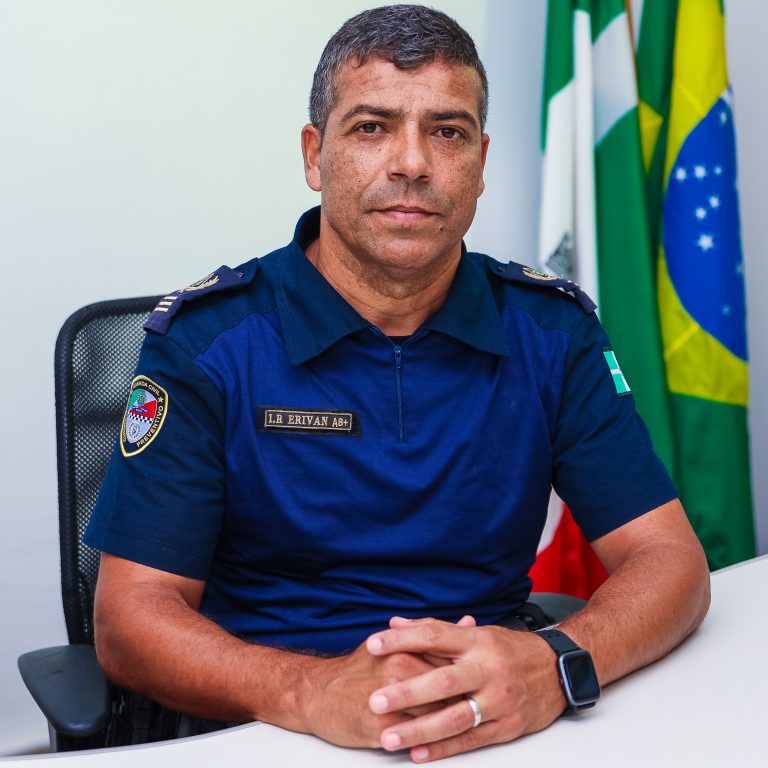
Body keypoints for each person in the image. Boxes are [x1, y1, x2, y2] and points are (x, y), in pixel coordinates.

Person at [85, 4, 710, 763]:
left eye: (446, 132)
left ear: (480, 162)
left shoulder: (551, 331)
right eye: (372, 127)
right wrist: (312, 692)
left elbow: (670, 560)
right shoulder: (208, 343)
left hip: (497, 720)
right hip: (269, 724)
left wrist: (557, 662)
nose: (412, 162)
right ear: (315, 155)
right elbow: (129, 620)